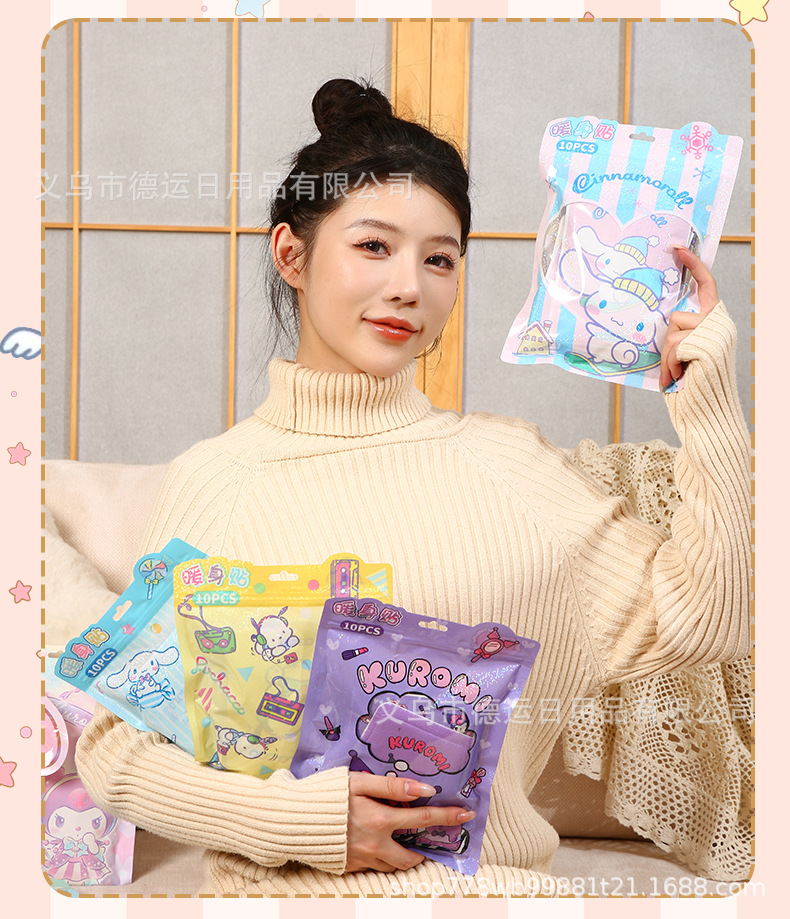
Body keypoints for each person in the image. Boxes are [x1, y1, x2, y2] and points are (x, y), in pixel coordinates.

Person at [75, 78, 751, 897]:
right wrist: (304, 822)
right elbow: (115, 749)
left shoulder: (511, 469)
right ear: (292, 255)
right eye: (374, 246)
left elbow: (713, 617)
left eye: (439, 259)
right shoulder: (217, 480)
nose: (409, 287)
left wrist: (708, 402)